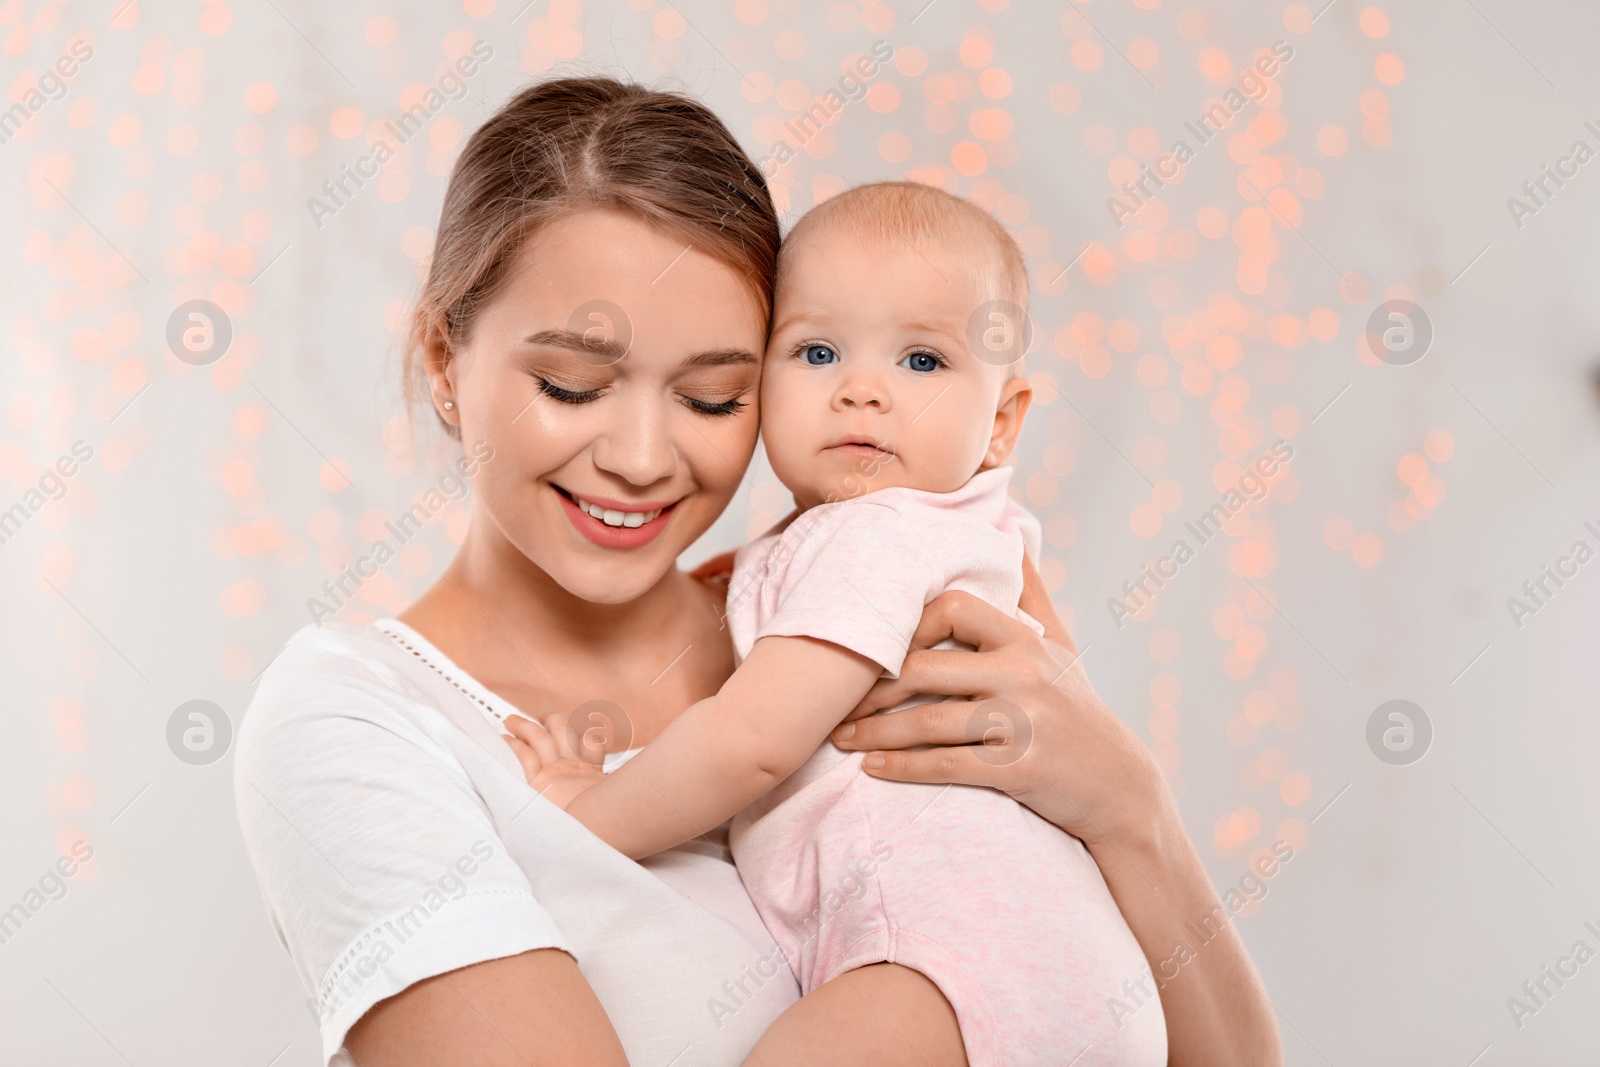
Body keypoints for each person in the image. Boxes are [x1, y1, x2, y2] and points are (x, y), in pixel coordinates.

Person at [233, 74, 1282, 1067]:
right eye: (571, 381)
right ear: (441, 361)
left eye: (711, 398)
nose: (642, 456)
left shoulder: (877, 613)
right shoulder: (355, 722)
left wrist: (1132, 810)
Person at [500, 179, 1164, 1066]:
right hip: (1062, 970)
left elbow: (753, 741)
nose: (861, 391)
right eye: (816, 352)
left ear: (1002, 423)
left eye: (922, 362)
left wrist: (588, 812)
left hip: (949, 965)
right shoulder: (956, 530)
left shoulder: (878, 535)